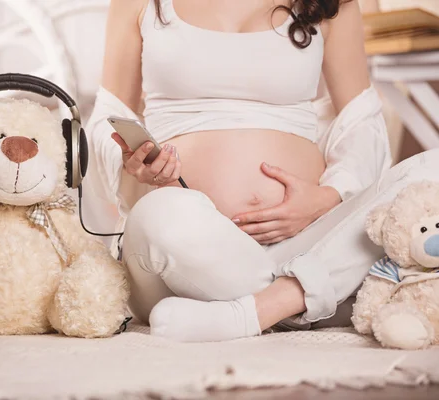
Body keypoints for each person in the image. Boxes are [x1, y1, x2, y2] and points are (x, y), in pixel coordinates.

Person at [83, 0, 439, 342]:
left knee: (431, 167)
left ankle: (260, 309)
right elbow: (110, 113)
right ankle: (317, 294)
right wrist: (132, 163)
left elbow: (360, 119)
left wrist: (328, 198)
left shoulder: (332, 3)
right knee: (159, 213)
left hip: (303, 241)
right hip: (181, 257)